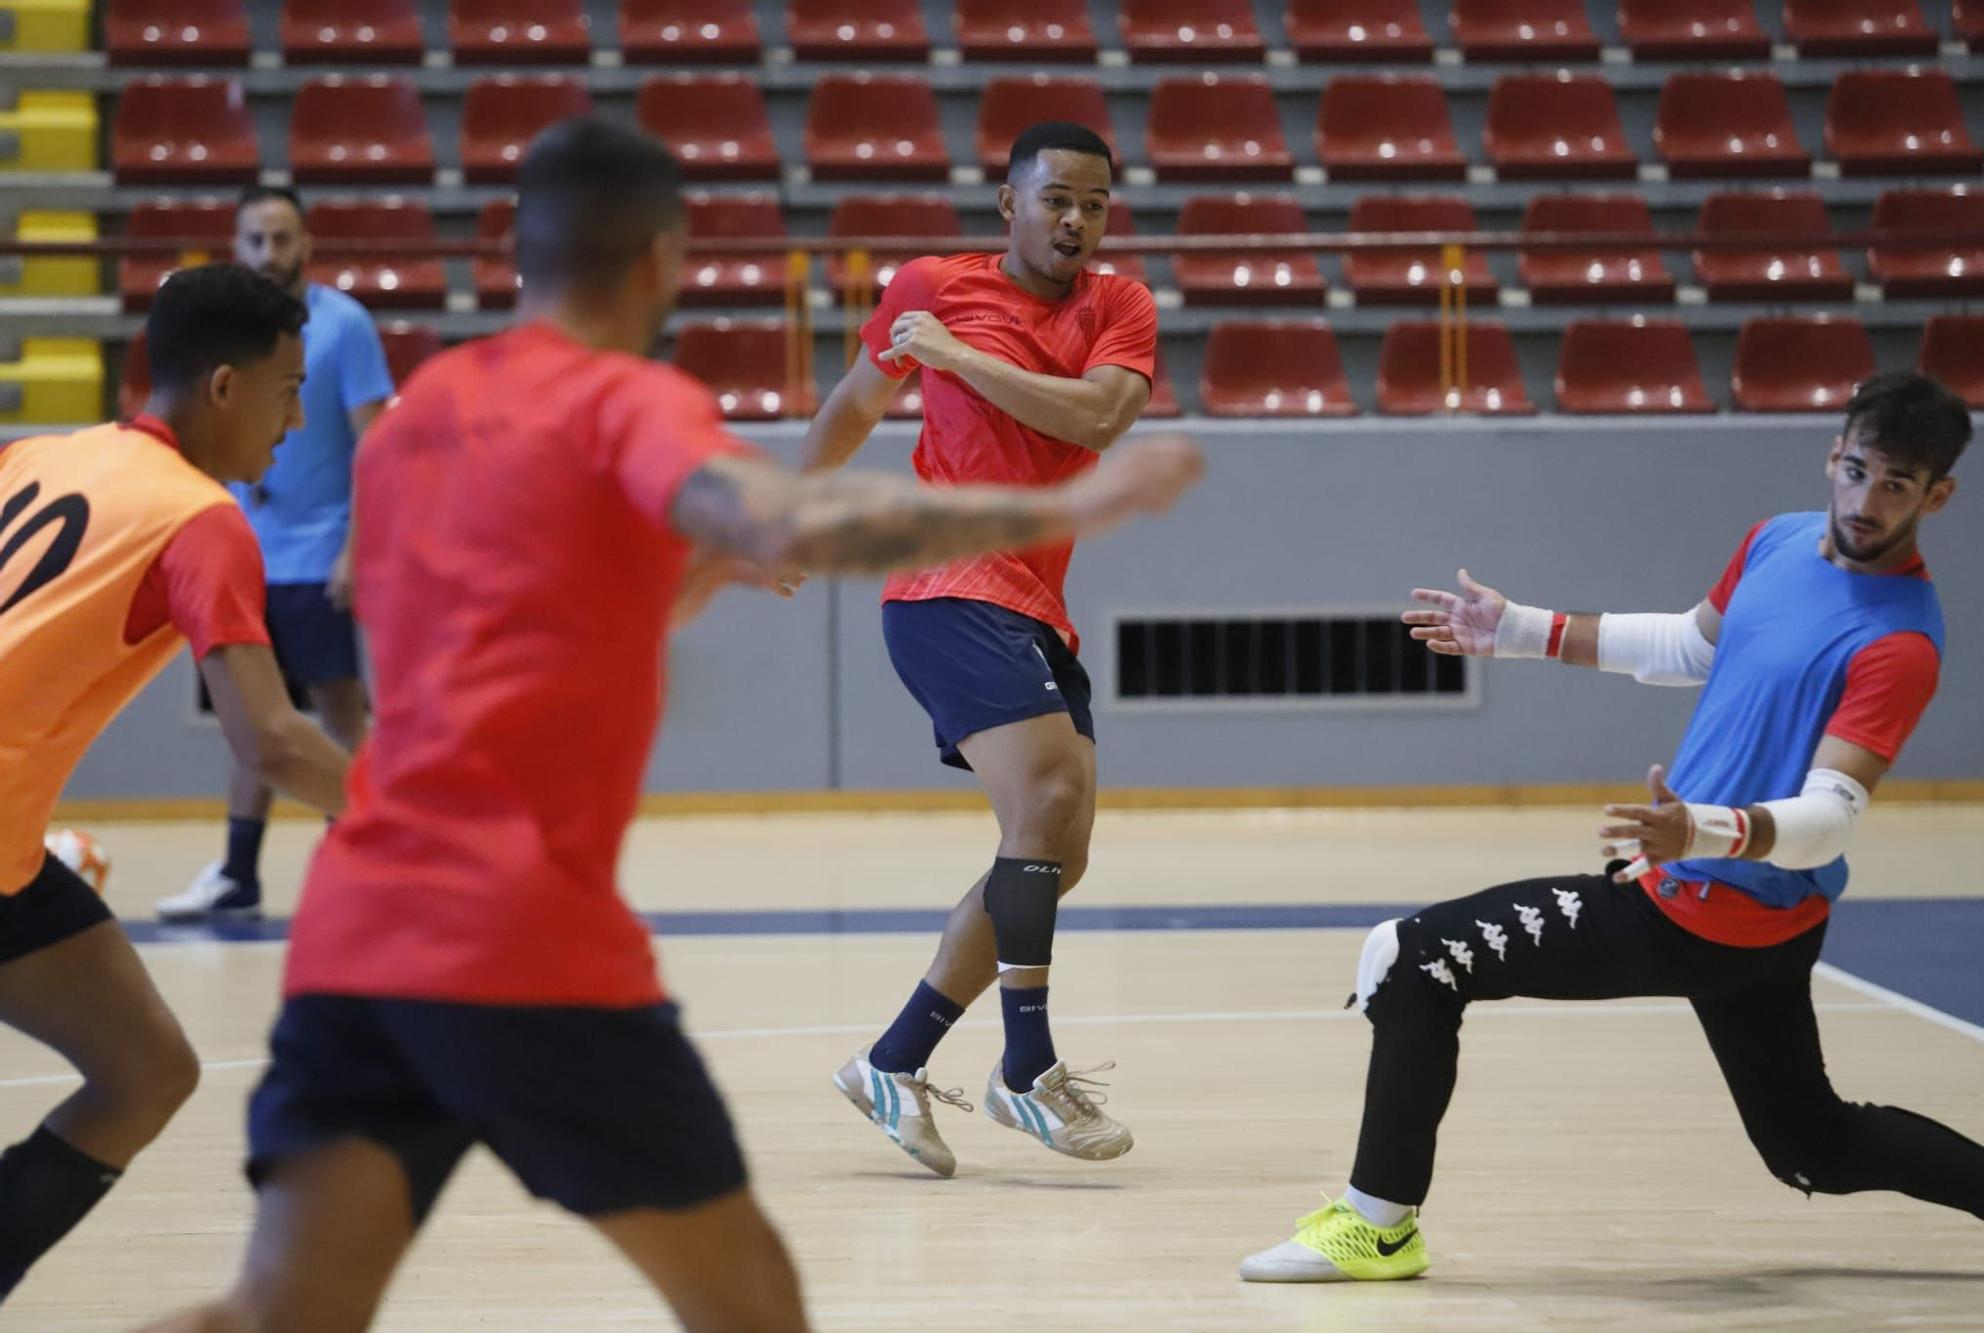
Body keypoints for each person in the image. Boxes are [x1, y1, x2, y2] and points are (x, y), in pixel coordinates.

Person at [151, 118, 1200, 1333]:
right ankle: (984, 1060)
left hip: (355, 925)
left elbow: (543, 595)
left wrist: (694, 570)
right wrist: (1084, 491)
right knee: (751, 1303)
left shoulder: (428, 411)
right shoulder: (625, 403)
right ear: (661, 258)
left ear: (515, 251)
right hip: (523, 936)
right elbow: (787, 521)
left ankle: (975, 1056)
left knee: (277, 1310)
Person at [1240, 372, 1984, 1283]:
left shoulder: (1900, 642)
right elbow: (1690, 644)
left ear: (1938, 495)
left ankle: (1377, 1224)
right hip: (1746, 918)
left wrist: (1705, 831)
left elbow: (1829, 821)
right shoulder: (1777, 541)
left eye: (1897, 485)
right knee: (1815, 1147)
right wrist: (1520, 627)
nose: (1866, 500)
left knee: (1417, 958)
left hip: (1703, 904)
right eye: (1857, 470)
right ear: (1832, 455)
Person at [802, 122, 1158, 1177]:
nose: (1074, 220)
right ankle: (1026, 1066)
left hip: (1036, 602)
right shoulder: (931, 283)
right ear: (1007, 203)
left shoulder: (1119, 306)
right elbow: (855, 403)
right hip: (944, 585)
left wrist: (956, 357)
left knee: (1054, 850)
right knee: (1047, 806)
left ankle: (893, 1061)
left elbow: (1097, 420)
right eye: (1054, 198)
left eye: (1093, 203)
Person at [0, 264, 350, 1301]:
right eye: (290, 391)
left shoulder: (42, 454)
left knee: (146, 1069)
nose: (296, 420)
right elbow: (276, 744)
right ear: (227, 387)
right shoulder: (199, 519)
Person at [157, 186, 393, 923]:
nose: (270, 254)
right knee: (251, 720)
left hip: (321, 554)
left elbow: (378, 448)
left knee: (337, 718)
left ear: (308, 244)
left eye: (283, 238)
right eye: (255, 240)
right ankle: (238, 873)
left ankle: (366, 865)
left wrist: (358, 547)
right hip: (247, 554)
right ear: (237, 245)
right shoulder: (226, 337)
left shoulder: (344, 327)